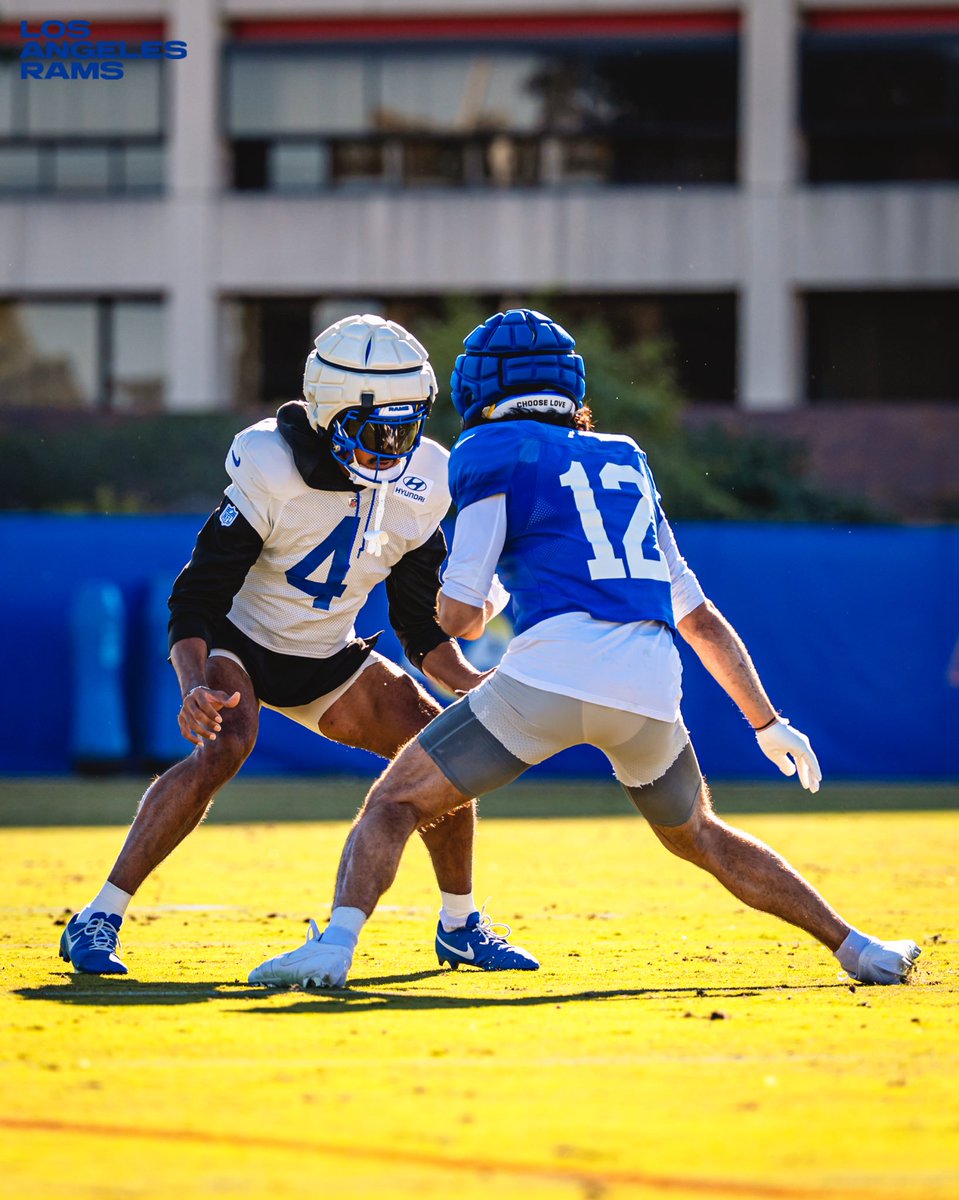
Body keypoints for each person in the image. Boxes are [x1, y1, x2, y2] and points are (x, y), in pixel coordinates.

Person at [247, 308, 921, 991]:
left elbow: (457, 616)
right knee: (702, 836)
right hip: (650, 690)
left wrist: (480, 602)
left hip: (550, 679)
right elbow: (700, 619)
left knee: (395, 803)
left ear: (476, 385)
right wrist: (765, 721)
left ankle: (333, 948)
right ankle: (858, 948)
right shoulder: (627, 460)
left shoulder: (488, 450)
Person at [58, 314, 537, 977]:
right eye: (378, 431)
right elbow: (196, 598)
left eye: (406, 427)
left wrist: (466, 683)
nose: (394, 448)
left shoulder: (427, 477)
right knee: (225, 745)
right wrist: (195, 685)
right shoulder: (270, 465)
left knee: (441, 749)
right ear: (329, 415)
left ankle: (459, 924)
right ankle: (100, 915)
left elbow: (417, 626)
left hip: (330, 658)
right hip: (243, 645)